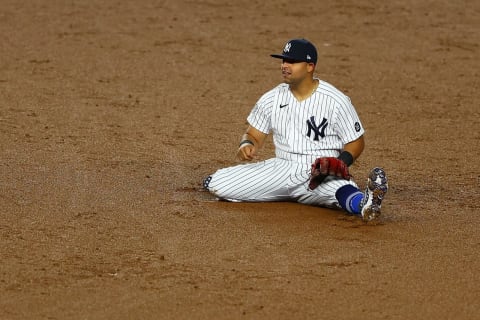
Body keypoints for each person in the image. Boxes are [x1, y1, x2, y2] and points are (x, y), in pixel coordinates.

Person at [202, 38, 388, 222]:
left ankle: (365, 204)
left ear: (309, 66)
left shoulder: (336, 100)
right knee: (216, 183)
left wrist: (340, 163)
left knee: (341, 190)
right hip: (281, 168)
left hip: (319, 172)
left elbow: (356, 141)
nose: (285, 65)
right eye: (283, 60)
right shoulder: (272, 98)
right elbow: (253, 134)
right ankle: (284, 192)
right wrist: (247, 143)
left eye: (292, 61)